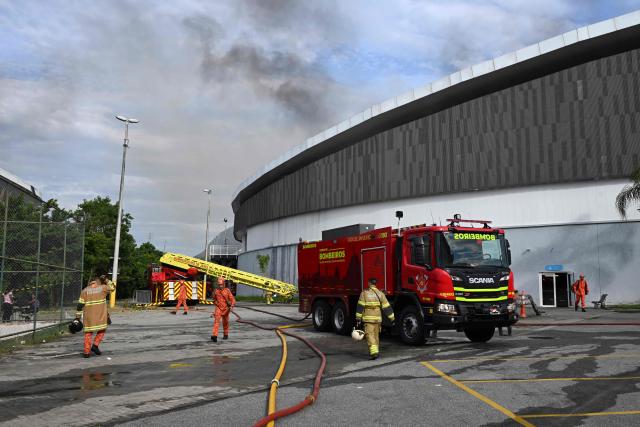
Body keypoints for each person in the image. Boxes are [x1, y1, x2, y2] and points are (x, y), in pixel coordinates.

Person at [355, 278, 395, 360]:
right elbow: (387, 307)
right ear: (375, 284)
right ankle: (375, 352)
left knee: (370, 336)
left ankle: (374, 353)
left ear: (369, 283)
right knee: (376, 336)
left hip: (368, 319)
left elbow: (360, 306)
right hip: (378, 319)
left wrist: (358, 318)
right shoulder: (380, 294)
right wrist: (392, 318)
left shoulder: (364, 293)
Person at [76, 276, 115, 358]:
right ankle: (95, 345)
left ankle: (86, 352)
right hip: (101, 316)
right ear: (98, 282)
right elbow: (113, 287)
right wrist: (106, 279)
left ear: (91, 282)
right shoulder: (103, 288)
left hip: (89, 318)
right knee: (102, 330)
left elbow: (79, 306)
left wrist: (77, 318)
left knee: (88, 333)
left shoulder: (84, 291)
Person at [211, 277, 235, 342]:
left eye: (221, 284)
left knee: (225, 322)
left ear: (224, 284)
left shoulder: (227, 290)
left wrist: (231, 306)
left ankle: (226, 334)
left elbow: (232, 299)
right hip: (218, 308)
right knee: (216, 322)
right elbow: (214, 300)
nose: (220, 286)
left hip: (226, 309)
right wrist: (217, 304)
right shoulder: (216, 291)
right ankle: (214, 336)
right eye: (219, 285)